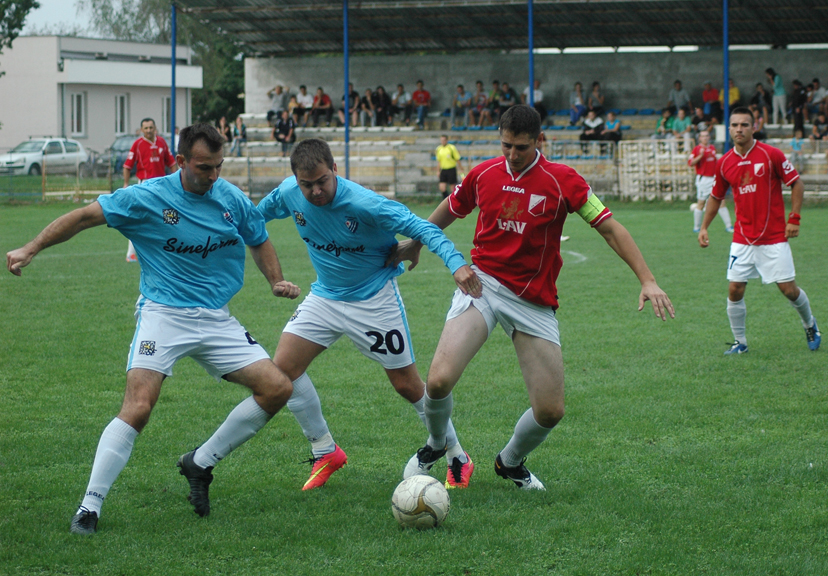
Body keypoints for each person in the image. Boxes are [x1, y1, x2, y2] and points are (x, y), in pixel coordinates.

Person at [6, 123, 302, 534]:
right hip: (163, 314)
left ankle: (200, 462)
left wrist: (275, 279)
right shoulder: (148, 196)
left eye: (218, 166)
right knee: (139, 406)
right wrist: (30, 247)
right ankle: (90, 506)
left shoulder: (230, 197)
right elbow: (83, 217)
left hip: (216, 318)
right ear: (180, 161)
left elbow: (258, 236)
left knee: (277, 388)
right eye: (204, 167)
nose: (213, 176)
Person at [392, 105, 674, 491]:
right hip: (483, 285)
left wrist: (648, 279)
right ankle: (437, 444)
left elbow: (609, 228)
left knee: (550, 410)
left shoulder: (564, 181)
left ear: (540, 141)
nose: (511, 154)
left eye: (520, 147)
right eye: (505, 145)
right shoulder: (483, 174)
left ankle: (509, 463)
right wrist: (415, 243)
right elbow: (451, 209)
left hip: (533, 301)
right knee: (438, 381)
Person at [252, 138, 481, 490]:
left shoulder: (365, 203)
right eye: (306, 184)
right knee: (283, 371)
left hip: (374, 300)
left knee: (407, 384)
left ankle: (456, 456)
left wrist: (456, 264)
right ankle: (324, 449)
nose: (315, 191)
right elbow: (254, 218)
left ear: (335, 170)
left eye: (322, 181)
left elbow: (422, 228)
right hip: (325, 297)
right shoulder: (288, 193)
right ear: (295, 180)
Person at [698, 107, 820, 355]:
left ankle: (810, 325)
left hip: (774, 236)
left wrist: (794, 218)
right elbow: (715, 197)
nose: (739, 129)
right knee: (735, 289)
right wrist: (703, 227)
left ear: (753, 127)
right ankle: (740, 342)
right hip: (742, 238)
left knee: (788, 290)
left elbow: (797, 183)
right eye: (735, 125)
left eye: (744, 124)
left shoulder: (770, 154)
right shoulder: (724, 163)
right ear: (729, 129)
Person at [122, 118, 178, 263]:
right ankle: (131, 254)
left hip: (162, 185)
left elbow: (172, 163)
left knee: (170, 215)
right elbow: (127, 166)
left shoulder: (162, 143)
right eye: (145, 128)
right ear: (141, 130)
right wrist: (126, 184)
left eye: (150, 128)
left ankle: (173, 248)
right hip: (145, 186)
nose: (148, 130)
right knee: (139, 218)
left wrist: (174, 182)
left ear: (155, 128)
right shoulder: (138, 144)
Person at [688, 130, 733, 233]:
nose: (705, 138)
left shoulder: (712, 148)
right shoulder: (697, 149)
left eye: (707, 135)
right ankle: (696, 227)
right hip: (703, 179)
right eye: (703, 136)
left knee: (721, 201)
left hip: (714, 178)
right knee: (701, 203)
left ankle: (729, 226)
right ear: (699, 138)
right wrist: (700, 156)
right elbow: (690, 163)